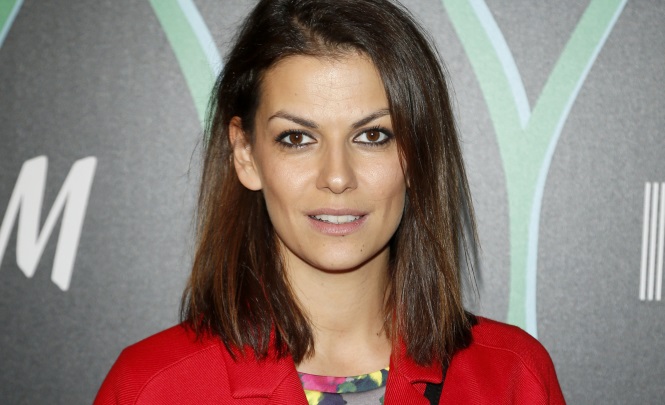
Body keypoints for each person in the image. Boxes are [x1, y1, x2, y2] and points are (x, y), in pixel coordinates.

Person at [95, 0, 565, 403]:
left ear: (417, 155)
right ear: (245, 154)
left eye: (373, 135)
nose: (337, 177)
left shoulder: (513, 378)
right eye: (297, 138)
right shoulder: (150, 388)